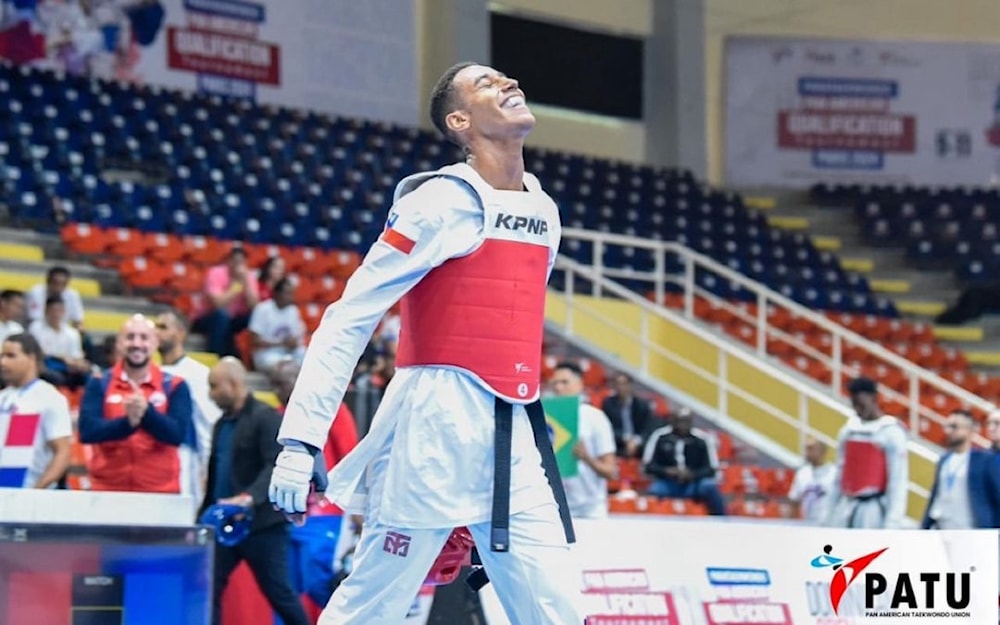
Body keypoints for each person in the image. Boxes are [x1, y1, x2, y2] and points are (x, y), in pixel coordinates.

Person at [268, 62, 582, 625]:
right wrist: (299, 443)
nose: (509, 83)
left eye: (507, 78)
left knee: (556, 611)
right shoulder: (438, 201)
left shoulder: (544, 209)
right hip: (433, 430)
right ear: (459, 121)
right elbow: (349, 317)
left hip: (514, 435)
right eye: (487, 84)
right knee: (370, 608)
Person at [201, 357, 310, 625]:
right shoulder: (221, 424)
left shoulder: (265, 417)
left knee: (279, 593)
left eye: (215, 386)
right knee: (209, 588)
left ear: (234, 383)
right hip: (225, 525)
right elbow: (216, 473)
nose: (211, 394)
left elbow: (274, 463)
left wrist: (248, 498)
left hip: (262, 527)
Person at [78, 314, 194, 493]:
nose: (137, 344)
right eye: (130, 337)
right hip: (107, 490)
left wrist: (147, 413)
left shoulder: (175, 385)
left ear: (155, 343)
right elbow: (87, 431)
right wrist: (127, 423)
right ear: (119, 343)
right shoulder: (99, 382)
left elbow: (177, 434)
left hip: (161, 492)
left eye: (144, 338)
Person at [156, 309, 222, 510]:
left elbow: (209, 423)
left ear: (181, 333)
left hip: (185, 458)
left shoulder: (197, 374)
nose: (157, 333)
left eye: (163, 327)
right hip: (155, 457)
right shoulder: (150, 373)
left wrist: (207, 468)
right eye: (156, 327)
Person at [825, 377, 909, 529]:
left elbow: (898, 479)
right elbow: (839, 474)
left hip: (873, 508)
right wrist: (829, 512)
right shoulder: (848, 431)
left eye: (861, 404)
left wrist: (893, 521)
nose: (858, 409)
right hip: (846, 504)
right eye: (854, 404)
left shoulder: (891, 432)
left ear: (874, 399)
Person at [0, 333, 72, 488]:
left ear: (31, 358)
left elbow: (62, 452)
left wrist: (37, 491)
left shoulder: (49, 397)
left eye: (10, 356)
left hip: (28, 493)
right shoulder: (3, 397)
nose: (3, 362)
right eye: (2, 356)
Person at [549, 361, 618, 519]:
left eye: (565, 382)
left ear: (579, 384)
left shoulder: (594, 417)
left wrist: (586, 458)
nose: (559, 388)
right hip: (554, 507)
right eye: (555, 383)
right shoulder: (545, 418)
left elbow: (611, 471)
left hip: (590, 508)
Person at [922, 410, 1000, 529]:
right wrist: (924, 527)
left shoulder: (984, 461)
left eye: (954, 426)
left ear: (970, 430)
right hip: (942, 528)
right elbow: (935, 496)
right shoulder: (944, 460)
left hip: (972, 531)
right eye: (947, 426)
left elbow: (996, 497)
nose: (948, 431)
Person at [642, 407, 727, 515]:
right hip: (668, 482)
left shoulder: (702, 439)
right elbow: (648, 466)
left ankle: (723, 520)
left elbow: (711, 469)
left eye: (685, 421)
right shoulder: (660, 437)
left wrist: (692, 474)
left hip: (694, 483)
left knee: (709, 486)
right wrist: (667, 471)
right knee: (654, 491)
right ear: (672, 420)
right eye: (679, 421)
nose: (682, 425)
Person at [601, 371, 653, 458]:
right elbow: (607, 427)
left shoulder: (642, 405)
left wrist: (636, 441)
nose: (621, 387)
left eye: (624, 384)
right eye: (618, 384)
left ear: (631, 385)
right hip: (618, 443)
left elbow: (648, 428)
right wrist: (625, 438)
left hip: (639, 445)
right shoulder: (608, 403)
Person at [787, 437, 836, 524]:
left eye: (811, 449)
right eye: (806, 449)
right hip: (808, 524)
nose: (807, 453)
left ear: (822, 451)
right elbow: (794, 501)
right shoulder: (802, 473)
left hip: (829, 525)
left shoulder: (834, 473)